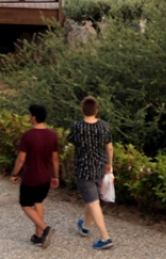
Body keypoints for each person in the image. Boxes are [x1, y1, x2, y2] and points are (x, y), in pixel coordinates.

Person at [67, 96, 115, 250]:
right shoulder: (104, 126)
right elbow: (109, 147)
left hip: (83, 168)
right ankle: (85, 226)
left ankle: (105, 237)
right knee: (92, 198)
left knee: (93, 203)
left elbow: (71, 142)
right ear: (97, 111)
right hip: (100, 167)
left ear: (82, 110)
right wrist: (110, 164)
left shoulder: (77, 127)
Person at [10, 104, 60, 247]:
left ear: (33, 117)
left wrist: (15, 174)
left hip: (31, 178)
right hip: (45, 178)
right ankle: (38, 237)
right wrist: (55, 176)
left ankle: (45, 229)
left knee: (25, 204)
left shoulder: (28, 136)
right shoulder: (52, 135)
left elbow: (21, 159)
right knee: (38, 202)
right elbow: (55, 158)